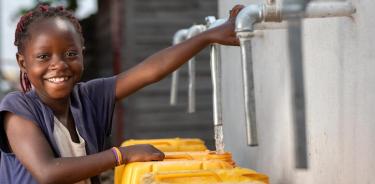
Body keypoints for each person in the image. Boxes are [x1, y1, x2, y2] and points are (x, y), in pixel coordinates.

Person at [0, 3, 243, 184]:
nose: (59, 64)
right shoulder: (18, 109)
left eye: (70, 54)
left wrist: (208, 36)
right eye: (43, 57)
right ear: (23, 63)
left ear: (83, 54)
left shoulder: (89, 97)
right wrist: (121, 155)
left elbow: (151, 71)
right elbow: (47, 172)